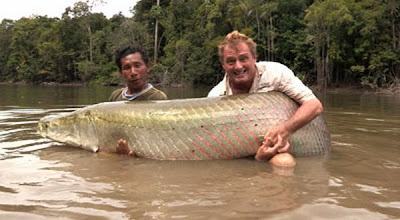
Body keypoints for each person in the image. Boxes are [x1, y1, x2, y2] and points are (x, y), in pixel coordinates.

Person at [208, 30, 323, 167]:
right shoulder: (215, 97)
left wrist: (285, 130)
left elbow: (314, 106)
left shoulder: (276, 74)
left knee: (284, 163)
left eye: (243, 59)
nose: (238, 66)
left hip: (283, 145)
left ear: (254, 58)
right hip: (242, 153)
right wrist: (259, 158)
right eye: (231, 61)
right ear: (223, 65)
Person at [109, 45, 167, 156]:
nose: (133, 72)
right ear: (121, 72)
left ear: (148, 67)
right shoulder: (115, 96)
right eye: (127, 68)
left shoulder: (158, 98)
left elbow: (159, 138)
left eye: (137, 65)